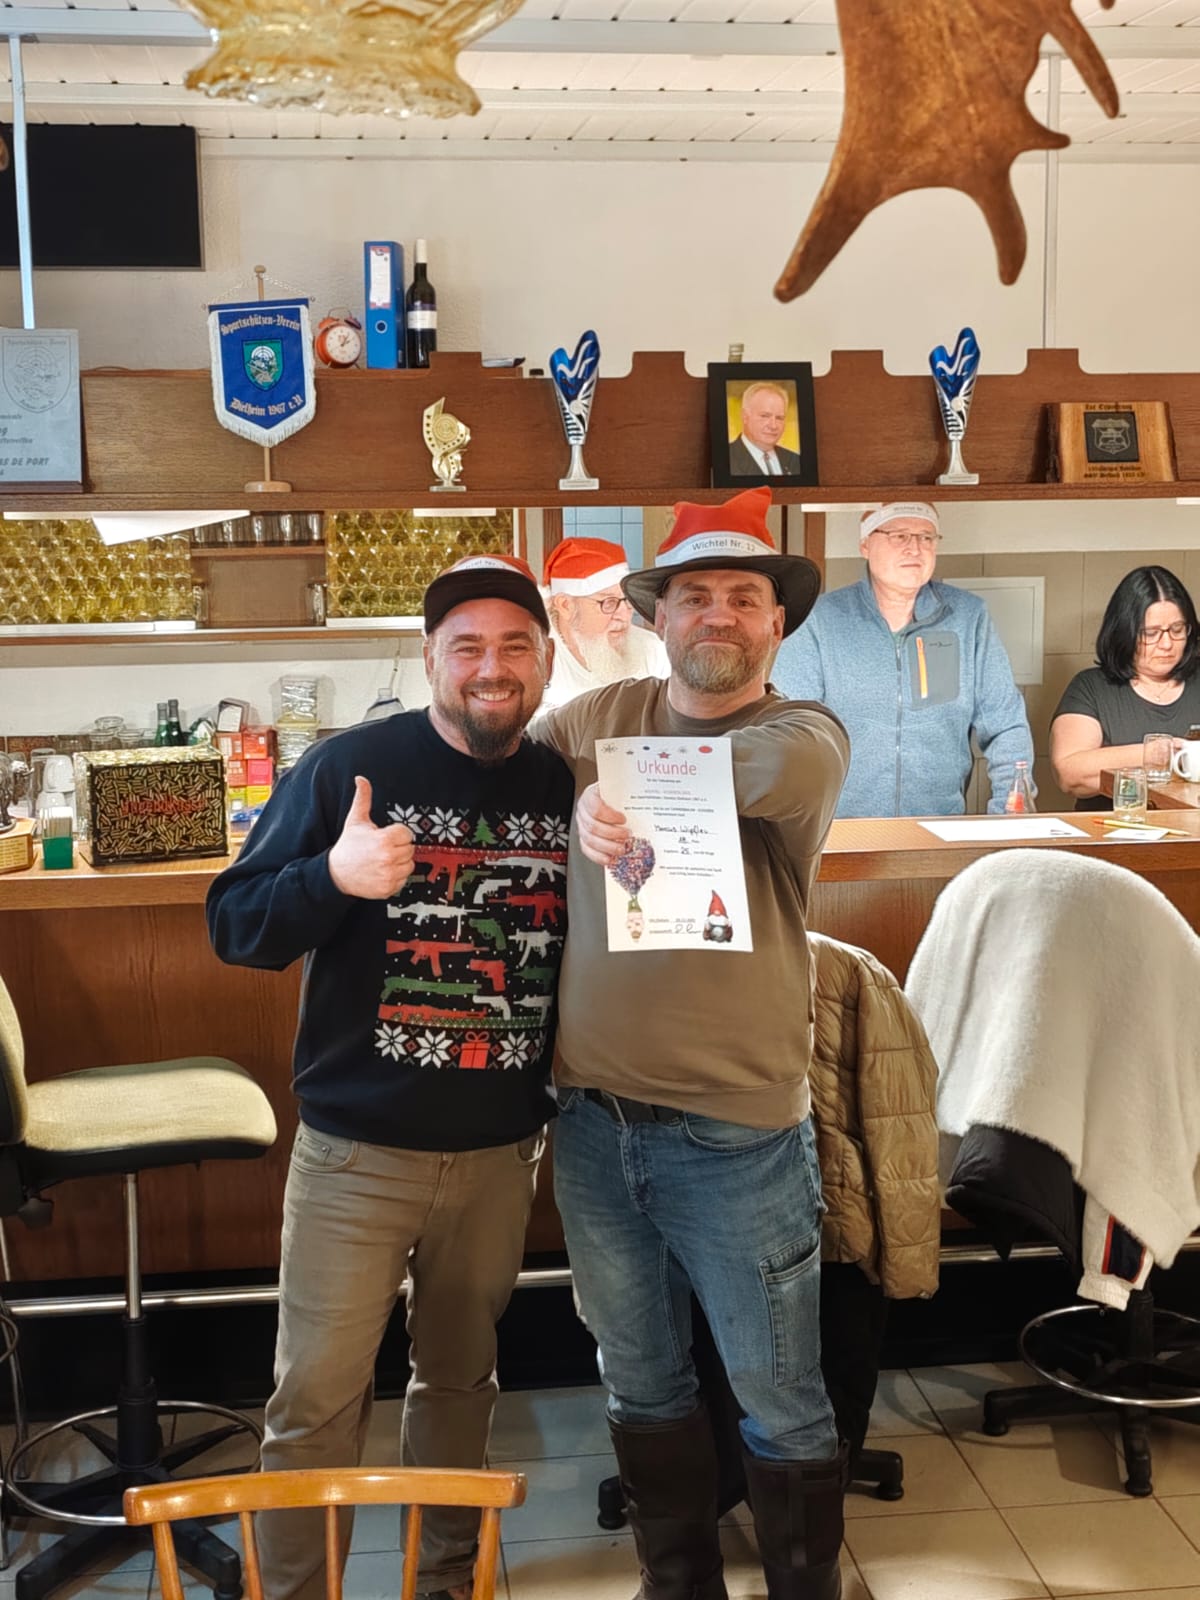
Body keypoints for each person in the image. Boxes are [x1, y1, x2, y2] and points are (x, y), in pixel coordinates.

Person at [206, 553, 573, 1600]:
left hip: (501, 1153)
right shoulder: (349, 769)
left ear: (546, 661)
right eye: (468, 647)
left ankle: (443, 1580)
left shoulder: (562, 783)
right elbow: (236, 924)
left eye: (515, 646)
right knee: (315, 1404)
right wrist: (333, 875)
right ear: (430, 659)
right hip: (357, 1157)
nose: (491, 667)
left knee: (459, 1384)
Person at [533, 486, 853, 1600]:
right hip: (592, 1124)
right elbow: (496, 761)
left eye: (743, 597)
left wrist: (601, 790)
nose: (719, 613)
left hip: (738, 1136)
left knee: (781, 1396)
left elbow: (751, 781)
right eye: (695, 594)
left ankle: (804, 1586)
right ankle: (677, 1582)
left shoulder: (803, 735)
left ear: (777, 623)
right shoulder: (595, 715)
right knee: (640, 1383)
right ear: (655, 615)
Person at [773, 501, 1035, 817]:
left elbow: (1006, 725)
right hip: (839, 828)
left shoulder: (968, 618)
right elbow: (790, 734)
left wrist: (1010, 814)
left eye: (926, 537)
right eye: (899, 536)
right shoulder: (818, 620)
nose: (915, 548)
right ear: (865, 545)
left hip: (939, 825)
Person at [1050, 564, 1200, 809]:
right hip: (1114, 829)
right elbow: (1070, 775)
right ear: (1124, 632)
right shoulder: (1091, 688)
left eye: (1177, 630)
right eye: (1151, 633)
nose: (1166, 644)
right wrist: (1155, 754)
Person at [541, 535, 669, 707]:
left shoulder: (656, 653)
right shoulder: (536, 659)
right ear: (565, 606)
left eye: (627, 600)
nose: (624, 615)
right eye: (609, 603)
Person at [728, 381, 802, 477]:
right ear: (745, 416)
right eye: (765, 416)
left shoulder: (795, 461)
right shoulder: (726, 459)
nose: (773, 426)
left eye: (779, 418)